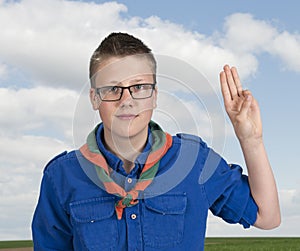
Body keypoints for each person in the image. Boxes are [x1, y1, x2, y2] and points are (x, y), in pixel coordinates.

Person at [31, 32, 280, 251]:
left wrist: (251, 139)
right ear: (95, 98)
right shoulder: (61, 176)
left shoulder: (195, 161)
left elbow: (266, 217)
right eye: (112, 89)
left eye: (138, 87)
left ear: (154, 96)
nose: (126, 100)